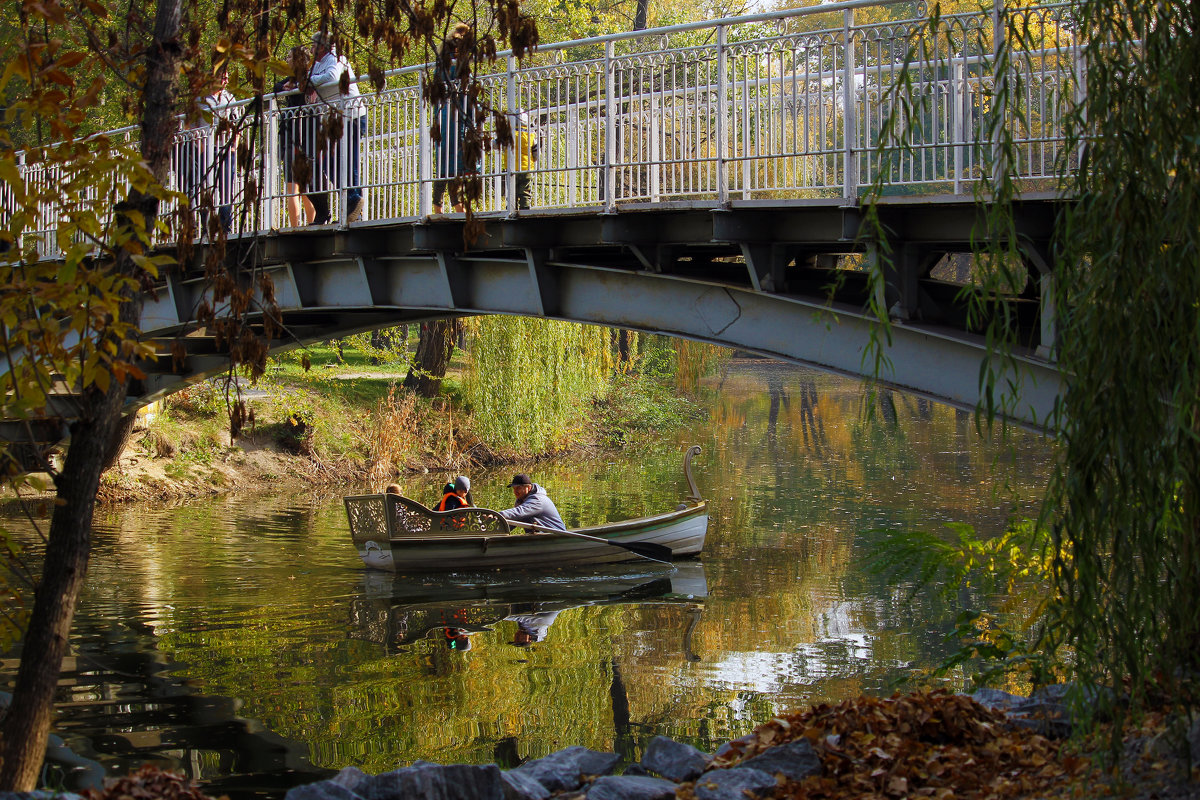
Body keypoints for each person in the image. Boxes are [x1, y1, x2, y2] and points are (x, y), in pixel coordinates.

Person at [308, 31, 365, 224]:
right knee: (329, 162)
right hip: (332, 119)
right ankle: (351, 203)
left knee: (348, 161)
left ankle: (354, 206)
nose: (311, 49)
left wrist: (309, 82)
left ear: (322, 46)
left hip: (349, 115)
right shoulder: (317, 64)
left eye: (313, 45)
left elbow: (332, 76)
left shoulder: (336, 58)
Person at [432, 23, 477, 214]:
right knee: (455, 164)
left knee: (446, 164)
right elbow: (466, 92)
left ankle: (440, 206)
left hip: (444, 117)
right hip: (454, 117)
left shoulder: (442, 64)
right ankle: (454, 206)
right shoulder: (455, 66)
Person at [273, 46, 316, 227]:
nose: (287, 59)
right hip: (292, 135)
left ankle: (310, 223)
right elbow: (274, 88)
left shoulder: (307, 79)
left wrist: (294, 85)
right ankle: (297, 226)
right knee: (295, 187)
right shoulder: (291, 80)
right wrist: (284, 86)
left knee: (301, 187)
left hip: (302, 135)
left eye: (290, 57)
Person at [497, 473, 566, 531]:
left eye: (518, 488)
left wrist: (497, 515)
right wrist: (498, 531)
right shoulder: (521, 500)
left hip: (557, 536)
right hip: (540, 538)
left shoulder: (537, 500)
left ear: (529, 488)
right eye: (514, 489)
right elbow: (515, 520)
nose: (515, 492)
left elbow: (519, 511)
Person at [503, 109, 538, 211]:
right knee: (525, 191)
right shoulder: (531, 136)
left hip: (511, 169)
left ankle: (511, 209)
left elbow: (496, 144)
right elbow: (536, 154)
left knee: (511, 191)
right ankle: (525, 208)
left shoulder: (507, 136)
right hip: (526, 169)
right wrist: (532, 160)